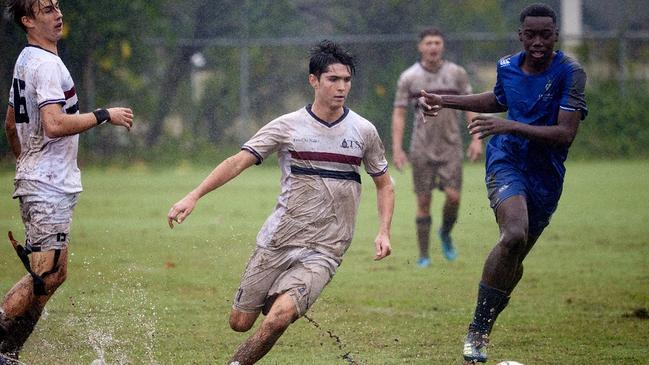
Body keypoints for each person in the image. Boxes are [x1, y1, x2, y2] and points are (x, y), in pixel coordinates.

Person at [167, 40, 394, 365]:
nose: (341, 87)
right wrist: (194, 195)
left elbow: (384, 185)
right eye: (333, 79)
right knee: (240, 323)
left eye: (346, 80)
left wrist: (384, 231)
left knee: (278, 317)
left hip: (326, 248)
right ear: (313, 80)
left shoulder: (363, 131)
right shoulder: (287, 126)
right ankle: (283, 294)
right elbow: (237, 161)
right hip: (278, 240)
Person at [419, 3, 587, 363]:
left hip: (546, 174)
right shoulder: (507, 67)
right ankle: (476, 332)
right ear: (520, 35)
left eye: (546, 34)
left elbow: (565, 133)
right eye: (531, 35)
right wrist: (443, 100)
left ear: (555, 35)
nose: (538, 42)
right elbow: (498, 99)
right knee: (513, 234)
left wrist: (508, 123)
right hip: (507, 160)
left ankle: (485, 323)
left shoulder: (570, 72)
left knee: (516, 255)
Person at [1, 0, 133, 361]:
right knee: (47, 276)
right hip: (48, 187)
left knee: (50, 278)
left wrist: (27, 163)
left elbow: (11, 124)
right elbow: (54, 124)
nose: (57, 13)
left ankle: (8, 353)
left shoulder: (26, 59)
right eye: (46, 9)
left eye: (57, 6)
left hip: (41, 181)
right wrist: (104, 114)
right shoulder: (45, 65)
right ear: (28, 21)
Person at [391, 27, 482, 267]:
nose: (433, 47)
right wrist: (398, 148)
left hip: (451, 147)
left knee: (453, 197)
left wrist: (476, 138)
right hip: (421, 149)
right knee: (423, 202)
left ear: (442, 46)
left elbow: (471, 105)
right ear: (420, 46)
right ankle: (423, 255)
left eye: (437, 43)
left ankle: (445, 233)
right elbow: (399, 114)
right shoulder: (409, 77)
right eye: (428, 43)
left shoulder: (457, 74)